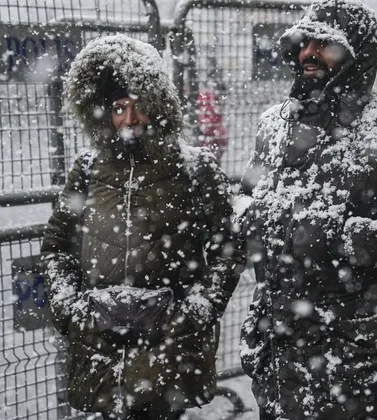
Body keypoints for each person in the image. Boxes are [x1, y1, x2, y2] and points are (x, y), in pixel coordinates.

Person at [236, 1, 377, 419]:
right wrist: (248, 218)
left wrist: (353, 239)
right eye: (305, 42)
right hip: (280, 357)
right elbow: (248, 199)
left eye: (325, 44)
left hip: (360, 364)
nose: (309, 52)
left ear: (357, 55)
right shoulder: (274, 126)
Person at [42, 34, 245, 420]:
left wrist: (194, 313)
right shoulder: (88, 169)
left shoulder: (195, 168)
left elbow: (229, 247)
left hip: (168, 350)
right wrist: (70, 311)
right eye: (120, 107)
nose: (130, 119)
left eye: (140, 106)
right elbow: (57, 245)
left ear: (159, 105)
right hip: (100, 347)